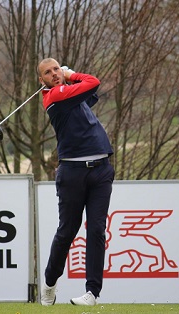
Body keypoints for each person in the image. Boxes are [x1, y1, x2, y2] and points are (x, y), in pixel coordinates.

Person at [37, 58, 114, 306]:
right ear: (42, 82)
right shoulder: (53, 98)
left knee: (96, 230)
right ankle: (49, 283)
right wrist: (71, 75)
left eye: (57, 69)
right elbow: (93, 82)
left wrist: (70, 79)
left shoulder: (68, 96)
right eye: (48, 73)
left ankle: (92, 293)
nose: (54, 74)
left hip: (101, 169)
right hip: (72, 172)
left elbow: (90, 93)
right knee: (68, 231)